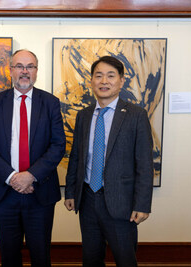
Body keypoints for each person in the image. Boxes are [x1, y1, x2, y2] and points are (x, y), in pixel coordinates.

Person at [64, 56, 154, 267]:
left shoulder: (136, 115)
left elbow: (144, 164)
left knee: (125, 260)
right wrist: (70, 191)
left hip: (121, 203)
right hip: (87, 198)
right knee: (91, 260)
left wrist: (142, 204)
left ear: (121, 81)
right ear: (92, 81)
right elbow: (76, 156)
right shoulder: (84, 115)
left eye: (111, 76)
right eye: (99, 76)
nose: (104, 81)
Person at [0, 49, 66, 267]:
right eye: (19, 66)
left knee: (41, 257)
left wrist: (31, 176)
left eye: (30, 66)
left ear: (37, 71)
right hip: (4, 193)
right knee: (9, 257)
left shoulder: (51, 103)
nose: (25, 71)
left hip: (40, 193)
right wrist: (12, 178)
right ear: (10, 70)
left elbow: (58, 145)